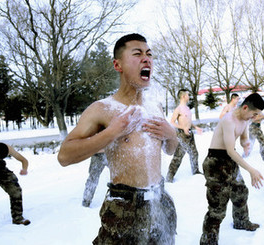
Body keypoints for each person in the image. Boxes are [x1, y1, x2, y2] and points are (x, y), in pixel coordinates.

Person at [57, 33, 178, 244]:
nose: (146, 59)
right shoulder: (102, 109)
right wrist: (112, 132)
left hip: (160, 202)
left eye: (149, 54)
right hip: (125, 209)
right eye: (138, 54)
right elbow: (64, 156)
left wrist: (171, 134)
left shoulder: (155, 108)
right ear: (117, 64)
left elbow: (170, 150)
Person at [200, 93, 264, 245]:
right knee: (217, 208)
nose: (254, 117)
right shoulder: (229, 120)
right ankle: (208, 241)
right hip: (215, 162)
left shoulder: (245, 119)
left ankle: (241, 221)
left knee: (240, 191)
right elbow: (230, 150)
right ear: (245, 107)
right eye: (254, 114)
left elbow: (242, 137)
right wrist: (251, 170)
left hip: (230, 161)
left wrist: (245, 143)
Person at [166, 88, 202, 182]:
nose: (189, 97)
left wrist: (195, 127)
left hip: (190, 133)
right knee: (178, 156)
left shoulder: (187, 108)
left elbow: (189, 121)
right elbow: (172, 122)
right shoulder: (178, 109)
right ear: (183, 96)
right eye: (188, 95)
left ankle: (196, 171)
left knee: (194, 153)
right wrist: (183, 128)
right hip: (182, 134)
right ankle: (169, 178)